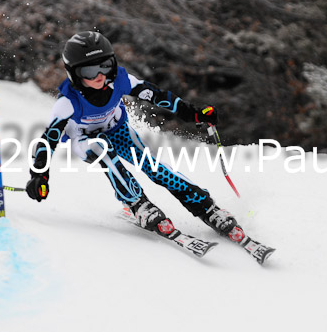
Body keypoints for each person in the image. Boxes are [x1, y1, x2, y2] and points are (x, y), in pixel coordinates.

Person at [25, 31, 249, 246]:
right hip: (85, 139)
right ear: (74, 74)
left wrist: (194, 113)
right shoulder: (67, 102)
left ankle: (205, 206)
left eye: (105, 66)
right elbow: (48, 140)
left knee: (153, 167)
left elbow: (156, 95)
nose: (100, 76)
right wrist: (39, 175)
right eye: (90, 71)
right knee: (103, 150)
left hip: (117, 129)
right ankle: (137, 204)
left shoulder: (120, 80)